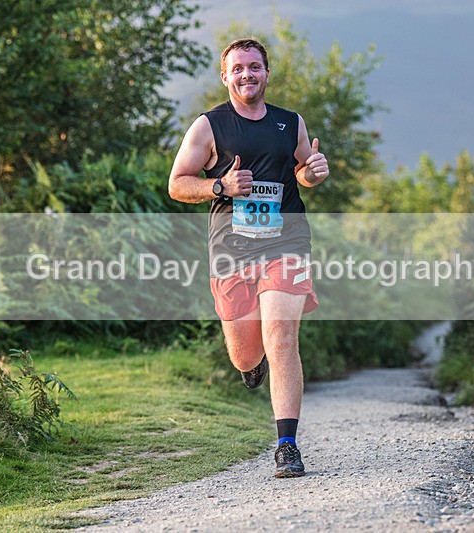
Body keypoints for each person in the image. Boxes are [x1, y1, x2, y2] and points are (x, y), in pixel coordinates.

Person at [168, 37, 329, 478]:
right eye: (238, 68)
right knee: (244, 352)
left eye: (254, 67)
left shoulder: (288, 122)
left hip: (286, 243)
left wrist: (312, 173)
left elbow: (302, 168)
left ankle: (287, 444)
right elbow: (178, 184)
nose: (247, 75)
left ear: (266, 73)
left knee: (281, 336)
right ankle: (251, 364)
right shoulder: (208, 127)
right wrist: (220, 186)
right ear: (225, 76)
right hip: (232, 251)